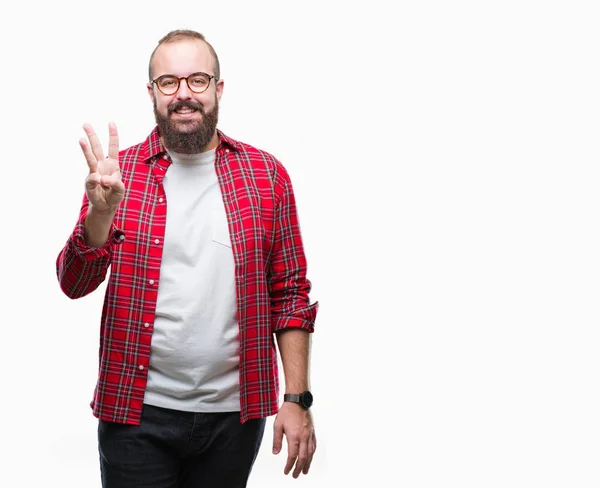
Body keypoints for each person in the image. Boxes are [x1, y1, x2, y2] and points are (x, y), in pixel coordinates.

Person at [56, 29, 318, 488]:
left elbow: (290, 292)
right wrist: (100, 214)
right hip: (136, 415)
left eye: (197, 80)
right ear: (152, 92)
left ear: (218, 88)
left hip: (234, 419)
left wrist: (296, 397)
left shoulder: (266, 175)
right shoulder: (122, 174)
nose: (183, 94)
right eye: (168, 82)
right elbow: (74, 282)